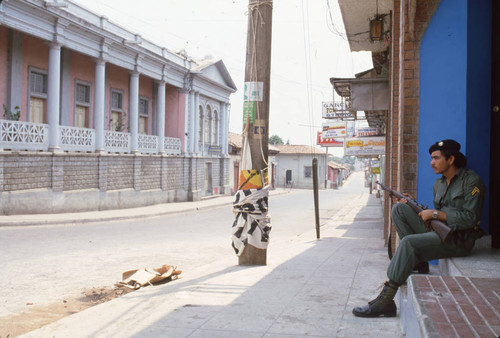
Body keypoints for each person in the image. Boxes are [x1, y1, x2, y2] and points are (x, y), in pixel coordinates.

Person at [352, 139, 486, 318]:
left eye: (436, 158)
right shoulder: (438, 184)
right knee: (400, 209)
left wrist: (435, 215)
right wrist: (415, 205)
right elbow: (439, 212)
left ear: (451, 159)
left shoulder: (472, 182)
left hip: (458, 239)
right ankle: (419, 262)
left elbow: (470, 219)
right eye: (432, 158)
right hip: (439, 232)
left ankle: (387, 299)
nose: (432, 162)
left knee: (408, 243)